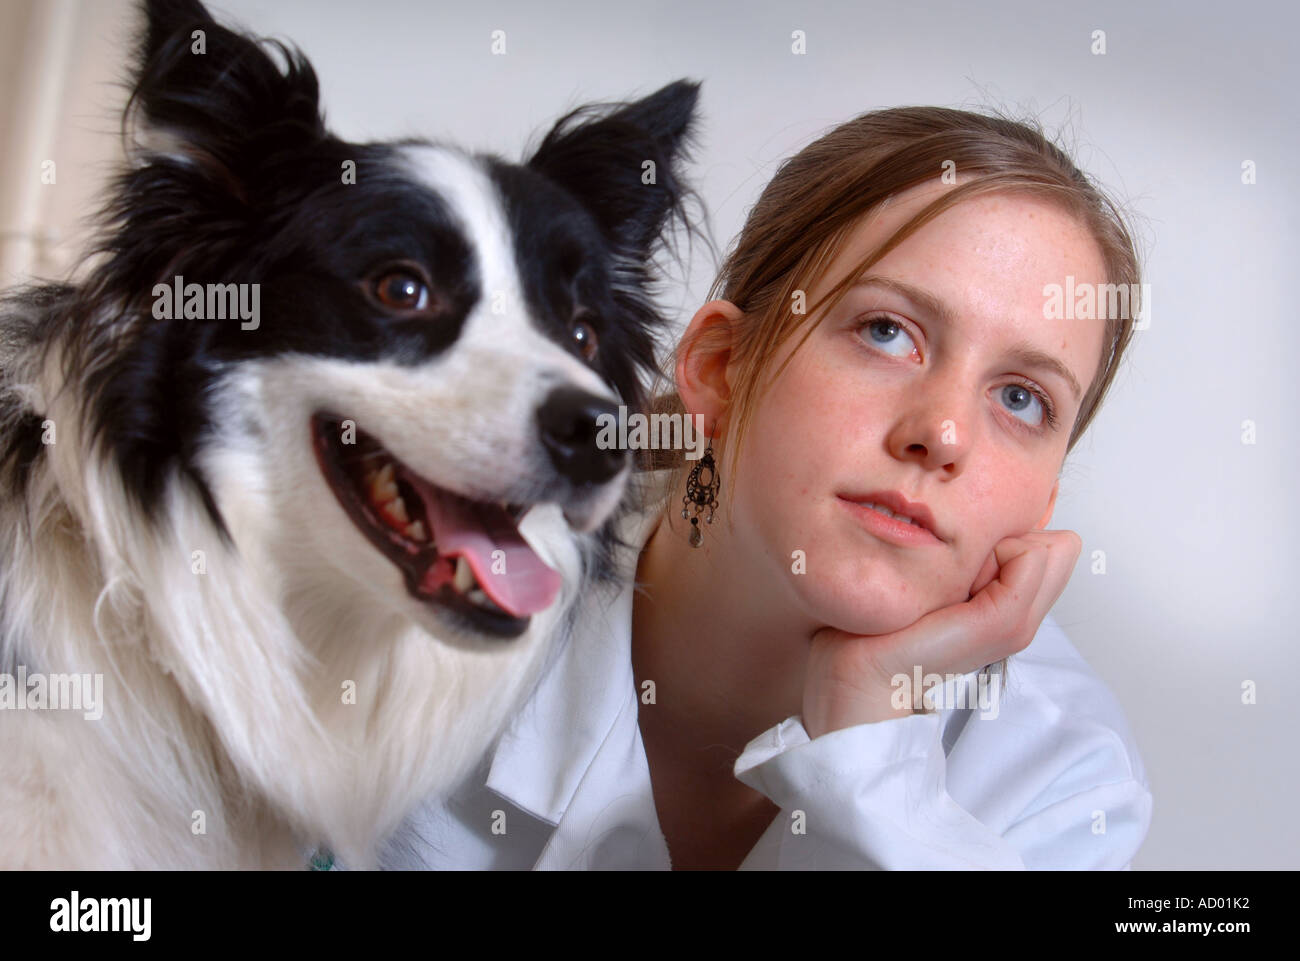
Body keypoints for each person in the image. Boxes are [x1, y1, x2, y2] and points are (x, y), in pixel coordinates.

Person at [379, 105, 1153, 870]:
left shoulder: (1067, 785)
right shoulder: (409, 601)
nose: (944, 433)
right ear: (719, 367)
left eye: (1022, 398)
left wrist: (870, 747)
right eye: (888, 331)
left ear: (1042, 505)